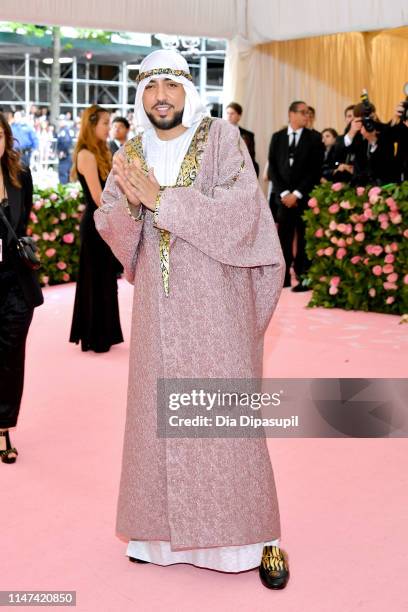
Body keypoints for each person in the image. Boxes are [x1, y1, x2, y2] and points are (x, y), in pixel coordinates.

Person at [94, 50, 289, 590]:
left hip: (216, 303)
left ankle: (252, 539)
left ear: (188, 93)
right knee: (158, 417)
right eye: (151, 85)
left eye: (172, 86)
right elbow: (114, 223)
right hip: (158, 310)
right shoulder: (129, 151)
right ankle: (154, 537)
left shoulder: (223, 141)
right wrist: (129, 208)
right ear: (141, 95)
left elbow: (243, 210)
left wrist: (163, 199)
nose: (162, 95)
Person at [0, 112, 43, 464]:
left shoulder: (20, 175)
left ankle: (3, 428)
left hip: (15, 283)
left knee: (12, 358)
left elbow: (24, 219)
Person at [69, 105, 123, 353]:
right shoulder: (86, 155)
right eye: (104, 123)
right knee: (96, 278)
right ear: (91, 125)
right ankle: (95, 335)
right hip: (95, 224)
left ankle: (105, 333)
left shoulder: (103, 149)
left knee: (106, 278)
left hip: (105, 221)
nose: (108, 127)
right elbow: (99, 197)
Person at [268, 100, 324, 291]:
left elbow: (314, 171)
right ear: (291, 114)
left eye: (308, 112)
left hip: (304, 197)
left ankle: (303, 277)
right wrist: (284, 193)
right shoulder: (277, 137)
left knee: (303, 238)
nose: (306, 116)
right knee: (283, 238)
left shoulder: (315, 138)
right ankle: (282, 278)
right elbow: (273, 168)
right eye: (302, 112)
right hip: (283, 199)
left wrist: (297, 194)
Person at [226, 102, 259, 176]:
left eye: (232, 113)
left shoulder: (248, 135)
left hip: (243, 173)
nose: (229, 116)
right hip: (224, 174)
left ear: (239, 116)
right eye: (227, 113)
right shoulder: (219, 133)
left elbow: (250, 157)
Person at [56, 115, 74, 184]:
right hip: (66, 155)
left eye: (61, 120)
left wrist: (63, 152)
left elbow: (66, 142)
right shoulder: (64, 130)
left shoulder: (65, 131)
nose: (59, 122)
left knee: (63, 173)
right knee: (66, 173)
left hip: (65, 155)